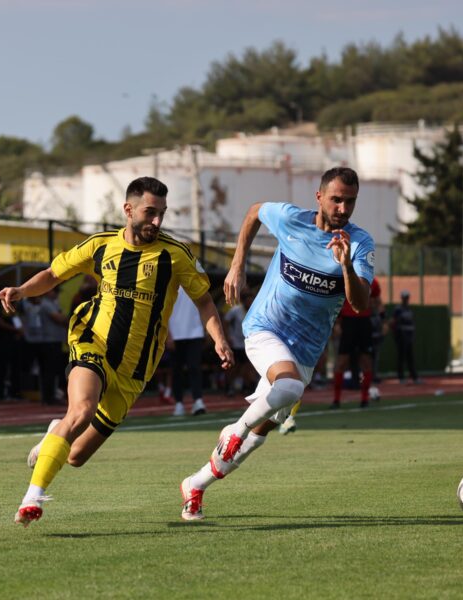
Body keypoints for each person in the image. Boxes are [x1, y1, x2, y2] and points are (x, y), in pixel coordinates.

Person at [3, 176, 234, 527]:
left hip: (135, 368)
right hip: (92, 342)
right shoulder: (100, 245)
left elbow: (204, 301)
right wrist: (21, 290)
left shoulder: (175, 255)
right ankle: (31, 499)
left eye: (162, 213)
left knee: (76, 456)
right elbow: (53, 274)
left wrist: (218, 338)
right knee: (81, 410)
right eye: (150, 212)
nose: (157, 221)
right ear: (128, 209)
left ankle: (56, 432)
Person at [178, 167, 375, 521]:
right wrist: (237, 264)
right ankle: (234, 430)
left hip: (305, 351)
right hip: (265, 328)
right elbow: (255, 211)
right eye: (336, 199)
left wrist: (345, 265)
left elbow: (359, 304)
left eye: (350, 201)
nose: (343, 208)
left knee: (259, 435)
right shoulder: (290, 218)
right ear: (319, 197)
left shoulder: (360, 243)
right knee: (287, 390)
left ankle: (195, 484)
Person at [332, 277, 382, 409]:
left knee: (366, 362)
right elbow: (336, 300)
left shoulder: (372, 281)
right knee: (341, 362)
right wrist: (337, 323)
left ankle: (364, 400)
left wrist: (382, 319)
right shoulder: (343, 278)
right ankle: (336, 400)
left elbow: (377, 300)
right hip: (348, 322)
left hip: (364, 322)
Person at [22, 288, 67, 405]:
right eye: (55, 292)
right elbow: (58, 318)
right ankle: (49, 397)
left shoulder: (50, 303)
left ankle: (48, 396)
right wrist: (71, 319)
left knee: (48, 370)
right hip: (49, 341)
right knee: (49, 370)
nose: (56, 294)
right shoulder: (47, 304)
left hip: (50, 340)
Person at [168, 288, 208, 417]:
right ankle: (178, 403)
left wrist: (206, 329)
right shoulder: (169, 282)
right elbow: (163, 309)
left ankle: (198, 401)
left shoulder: (197, 279)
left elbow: (205, 304)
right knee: (176, 371)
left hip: (195, 332)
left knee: (194, 367)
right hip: (175, 334)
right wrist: (168, 335)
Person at [389, 290, 420, 384]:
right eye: (405, 298)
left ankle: (414, 377)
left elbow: (412, 323)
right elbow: (392, 322)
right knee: (401, 357)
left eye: (407, 298)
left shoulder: (409, 309)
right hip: (401, 337)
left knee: (410, 357)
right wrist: (396, 334)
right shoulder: (398, 309)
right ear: (402, 298)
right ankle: (401, 377)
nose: (406, 299)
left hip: (409, 337)